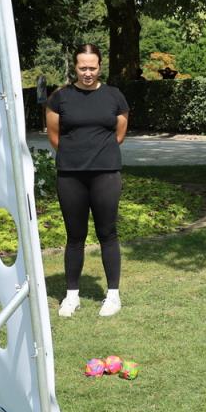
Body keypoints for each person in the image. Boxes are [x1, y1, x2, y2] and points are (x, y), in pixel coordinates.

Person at [46, 44, 130, 318]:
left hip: (106, 173)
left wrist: (98, 154)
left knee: (107, 233)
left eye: (92, 68)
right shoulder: (60, 98)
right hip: (71, 175)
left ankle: (113, 295)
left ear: (100, 67)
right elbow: (54, 135)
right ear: (75, 67)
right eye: (83, 67)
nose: (88, 73)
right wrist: (75, 155)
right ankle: (72, 296)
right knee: (75, 236)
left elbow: (119, 133)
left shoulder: (114, 96)